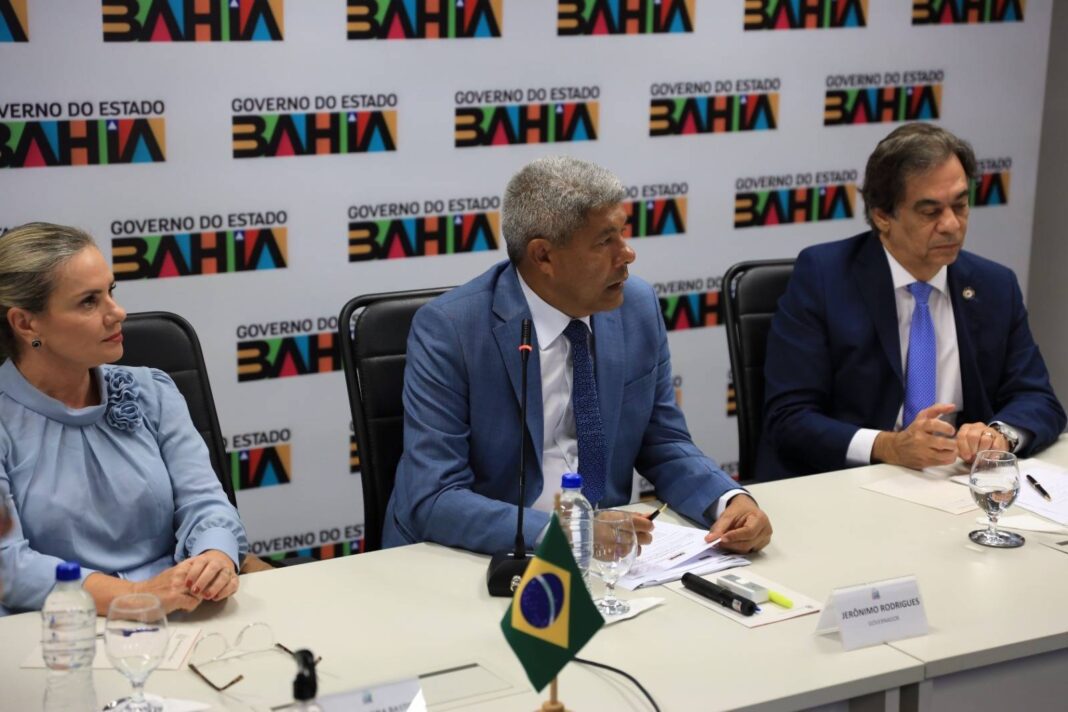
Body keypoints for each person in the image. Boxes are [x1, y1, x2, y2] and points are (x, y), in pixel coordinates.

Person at [383, 156, 772, 554]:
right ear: (543, 256)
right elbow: (434, 497)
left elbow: (663, 441)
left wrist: (728, 500)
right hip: (488, 554)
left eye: (622, 233)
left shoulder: (636, 307)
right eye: (605, 242)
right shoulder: (451, 330)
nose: (627, 254)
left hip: (609, 555)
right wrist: (569, 532)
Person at [759, 123, 1065, 480]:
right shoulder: (823, 278)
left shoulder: (995, 285)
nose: (951, 225)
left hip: (956, 483)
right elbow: (789, 417)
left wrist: (998, 436)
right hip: (852, 482)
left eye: (960, 205)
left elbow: (1038, 399)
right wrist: (888, 446)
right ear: (882, 216)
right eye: (930, 212)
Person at [0, 222, 249, 615]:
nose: (117, 313)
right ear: (26, 323)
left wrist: (214, 556)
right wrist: (134, 595)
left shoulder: (152, 390)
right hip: (55, 626)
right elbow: (8, 565)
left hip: (179, 609)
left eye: (110, 292)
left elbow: (205, 501)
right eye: (88, 302)